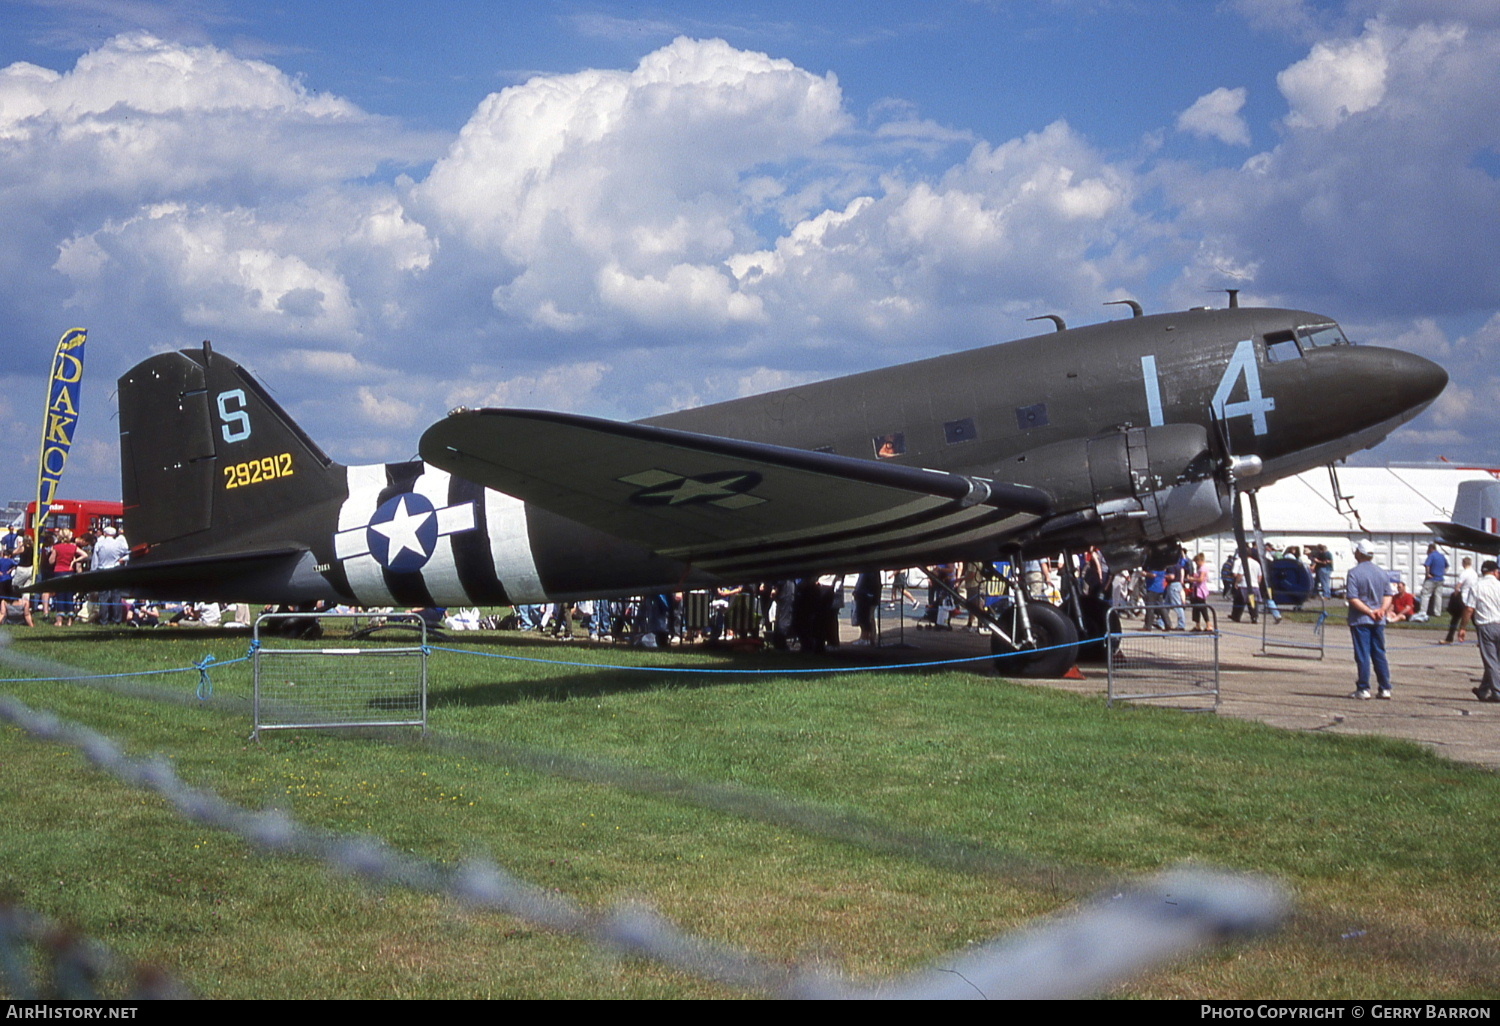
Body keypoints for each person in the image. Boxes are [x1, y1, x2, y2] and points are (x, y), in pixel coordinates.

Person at [1346, 539, 1395, 700]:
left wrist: (1369, 611)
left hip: (1361, 619)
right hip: (1379, 620)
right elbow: (1389, 595)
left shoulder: (1354, 573)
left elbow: (1353, 598)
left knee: (1363, 654)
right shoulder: (1382, 572)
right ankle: (1385, 687)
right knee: (1379, 652)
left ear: (1359, 553)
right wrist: (1381, 610)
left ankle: (1363, 687)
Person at [1462, 560, 1500, 702]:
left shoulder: (1477, 586)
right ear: (1495, 572)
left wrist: (1463, 627)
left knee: (1491, 661)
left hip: (1486, 625)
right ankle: (1483, 690)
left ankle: (1497, 692)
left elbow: (1469, 608)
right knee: (1496, 661)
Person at [1445, 557, 1478, 644]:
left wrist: (1455, 595)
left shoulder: (1464, 573)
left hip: (1463, 597)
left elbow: (1458, 586)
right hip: (1472, 598)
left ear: (1463, 563)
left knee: (1455, 618)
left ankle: (1449, 638)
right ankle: (1481, 639)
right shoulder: (1474, 573)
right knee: (1474, 619)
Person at [1416, 543, 1448, 622]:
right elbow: (1447, 566)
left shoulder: (1431, 556)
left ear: (1430, 549)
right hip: (1440, 579)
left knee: (1425, 595)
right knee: (1438, 596)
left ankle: (1423, 612)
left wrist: (1428, 574)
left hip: (1431, 578)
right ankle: (1437, 612)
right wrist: (1442, 572)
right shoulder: (1442, 556)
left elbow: (1427, 565)